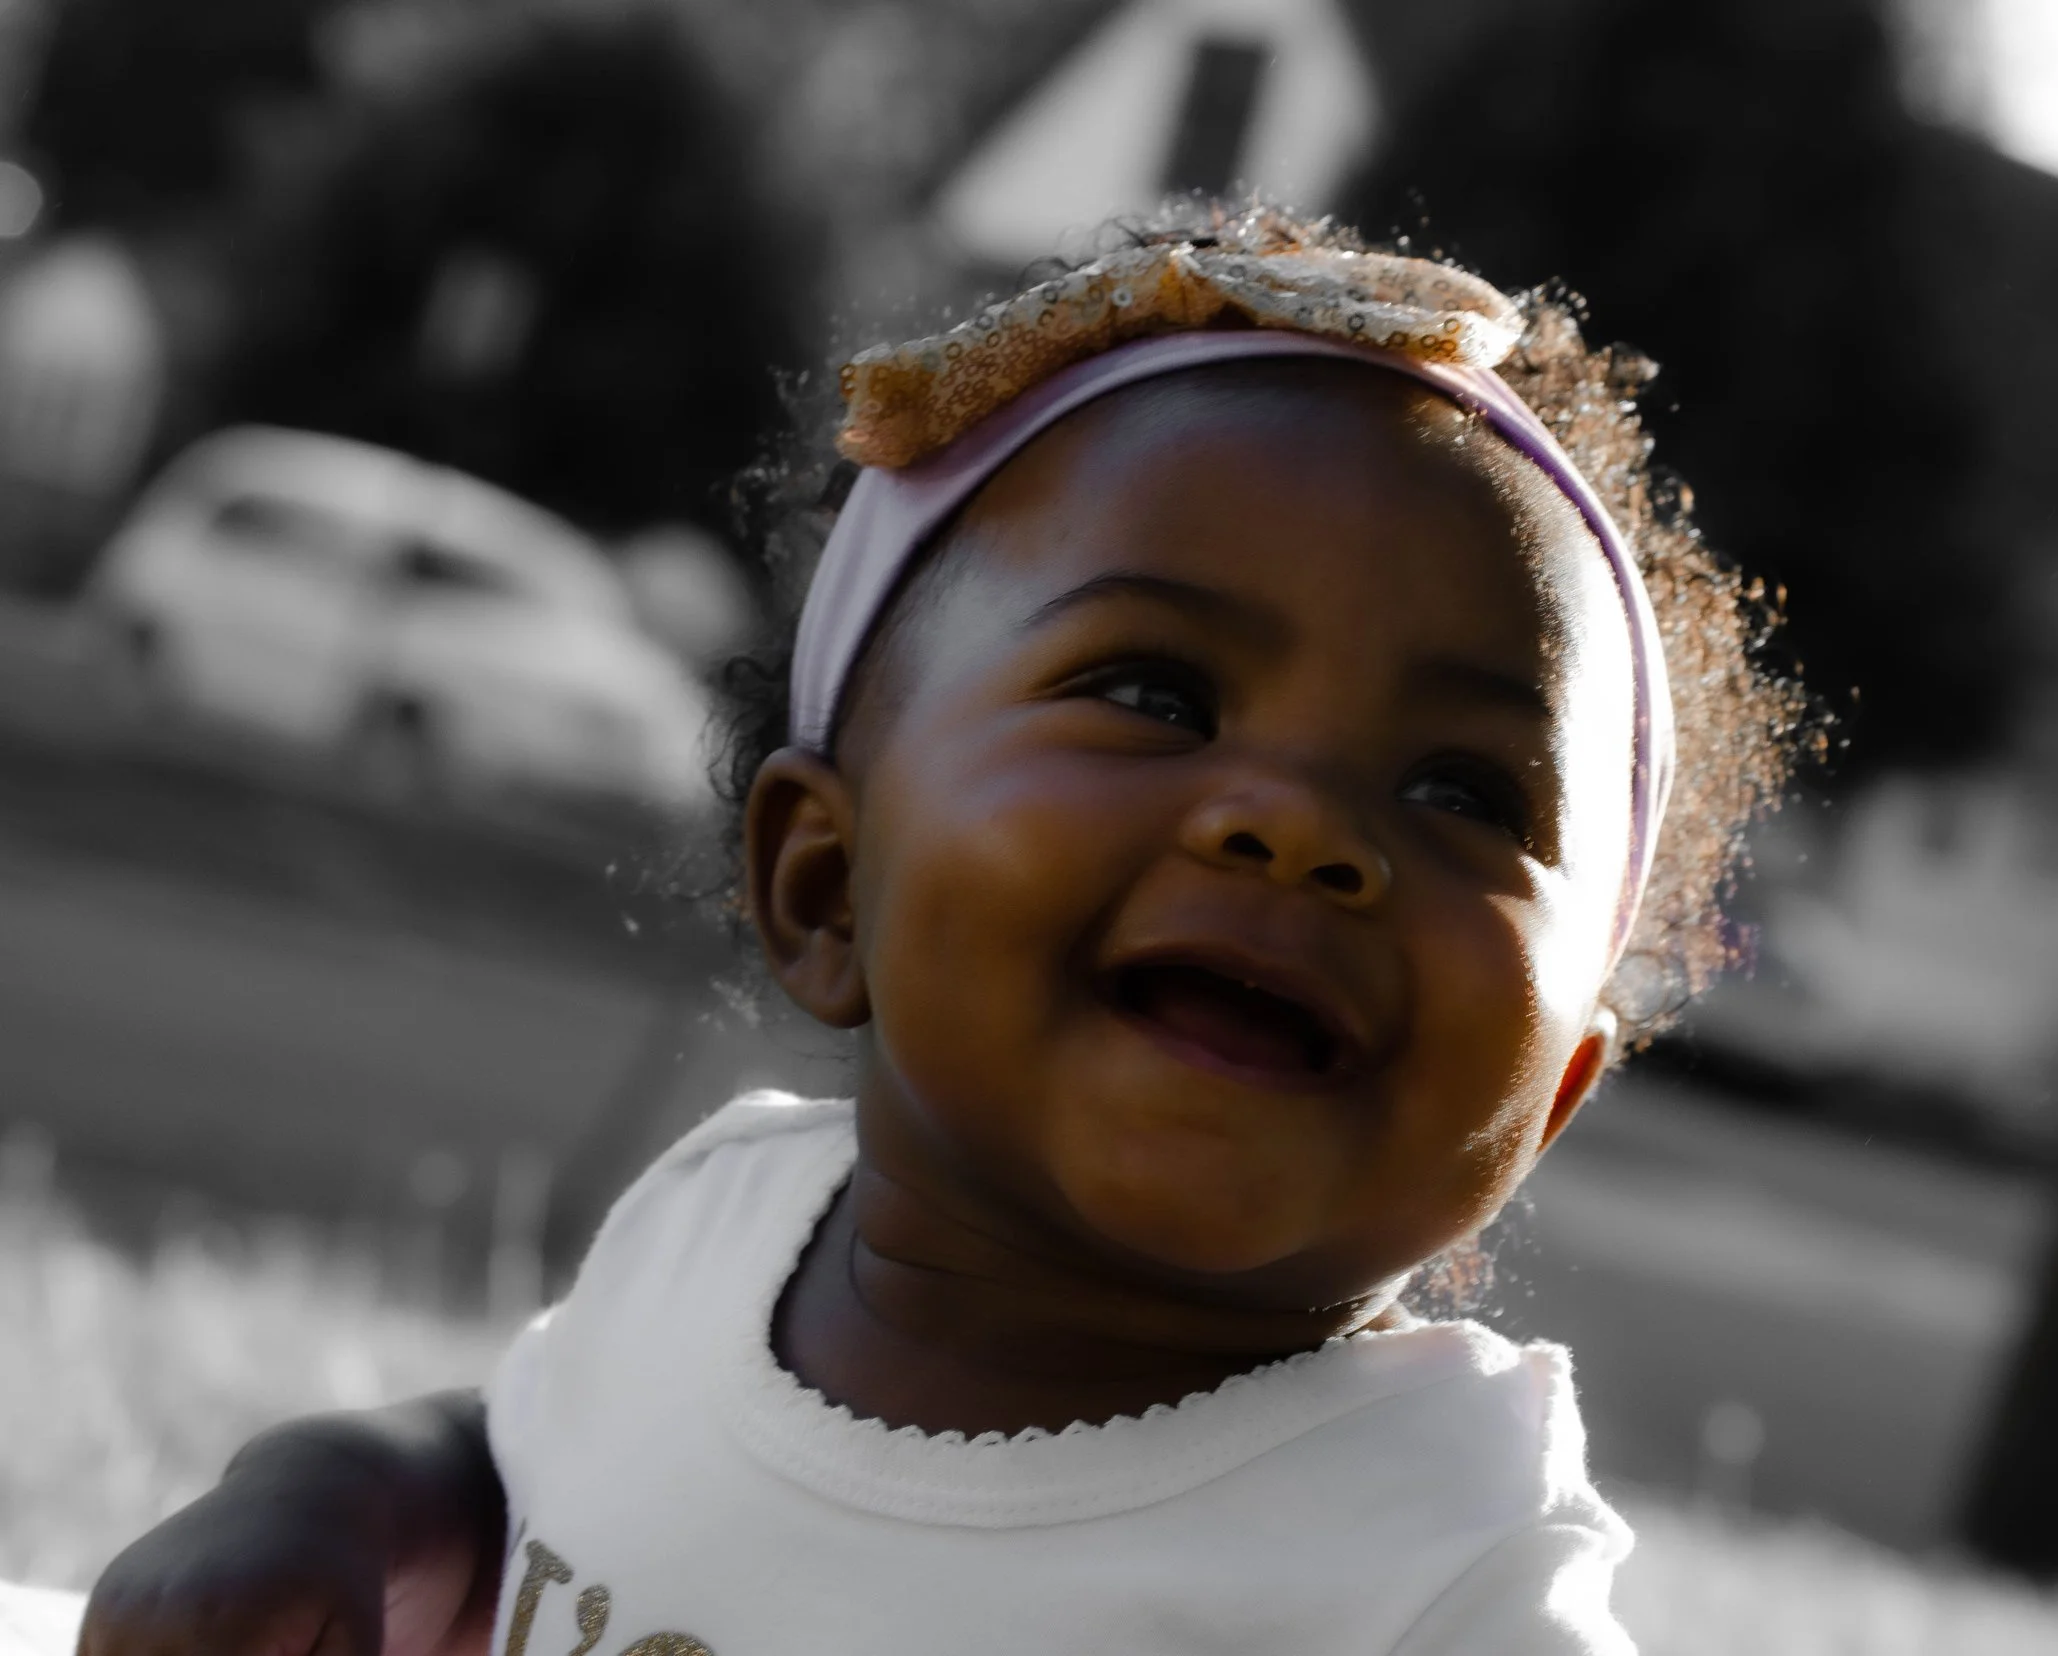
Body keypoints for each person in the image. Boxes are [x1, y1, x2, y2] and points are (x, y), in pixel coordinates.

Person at [75, 206, 1799, 1656]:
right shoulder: (718, 1225)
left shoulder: (1447, 1573)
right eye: (1155, 690)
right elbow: (533, 1455)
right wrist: (335, 1493)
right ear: (827, 886)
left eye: (1467, 796)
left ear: (1556, 1089)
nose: (1302, 828)